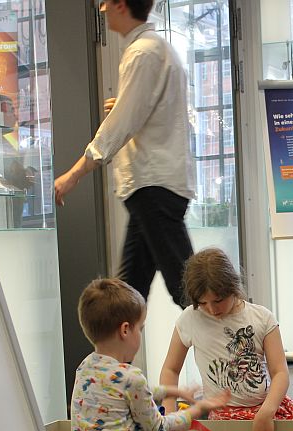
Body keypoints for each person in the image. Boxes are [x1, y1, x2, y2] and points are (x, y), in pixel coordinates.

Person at [53, 0, 195, 309]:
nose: (102, 9)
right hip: (154, 185)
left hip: (152, 185)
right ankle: (113, 358)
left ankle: (236, 352)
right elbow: (148, 111)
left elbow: (119, 125)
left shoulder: (142, 53)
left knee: (191, 293)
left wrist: (75, 173)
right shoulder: (156, 49)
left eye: (105, 2)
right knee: (130, 294)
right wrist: (125, 102)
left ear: (120, 5)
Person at [70, 278, 228, 431]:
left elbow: (131, 393)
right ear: (125, 330)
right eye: (140, 328)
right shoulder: (131, 377)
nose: (140, 334)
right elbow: (159, 428)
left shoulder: (86, 368)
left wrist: (175, 391)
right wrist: (196, 410)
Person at [160, 248, 293, 431]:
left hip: (269, 407)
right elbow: (171, 369)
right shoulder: (190, 318)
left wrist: (267, 411)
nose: (212, 309)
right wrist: (169, 410)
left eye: (218, 300)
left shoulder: (261, 317)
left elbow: (280, 372)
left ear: (233, 288)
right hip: (225, 414)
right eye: (203, 303)